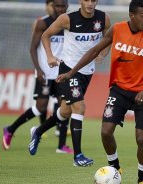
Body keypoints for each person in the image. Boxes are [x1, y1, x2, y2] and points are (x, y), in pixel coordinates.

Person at [54, 0, 143, 183]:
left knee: (141, 139)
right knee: (106, 132)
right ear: (132, 16)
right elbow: (94, 51)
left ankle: (142, 178)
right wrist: (71, 72)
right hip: (119, 90)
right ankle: (115, 167)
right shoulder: (117, 29)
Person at [28, 0, 111, 167]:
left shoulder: (103, 18)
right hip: (68, 71)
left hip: (87, 72)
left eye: (93, 0)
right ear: (81, 0)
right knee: (79, 107)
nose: (90, 3)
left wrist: (103, 52)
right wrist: (50, 56)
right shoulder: (67, 19)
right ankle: (78, 156)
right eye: (87, 0)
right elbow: (45, 35)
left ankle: (38, 131)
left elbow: (109, 37)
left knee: (65, 111)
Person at [2, 0, 73, 154]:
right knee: (40, 108)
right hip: (45, 73)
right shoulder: (43, 24)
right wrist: (38, 70)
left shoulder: (69, 23)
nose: (60, 9)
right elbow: (33, 48)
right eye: (57, 6)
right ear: (52, 7)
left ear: (67, 7)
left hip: (61, 74)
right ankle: (10, 129)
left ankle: (61, 146)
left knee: (65, 107)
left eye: (63, 6)